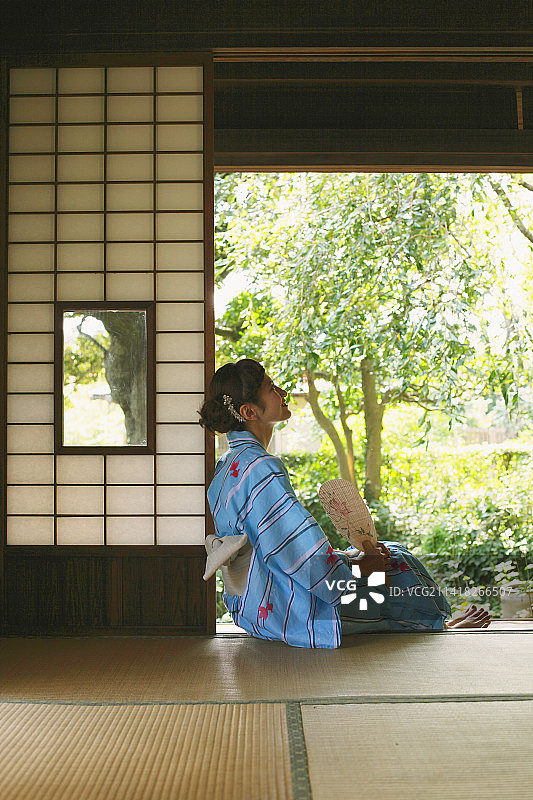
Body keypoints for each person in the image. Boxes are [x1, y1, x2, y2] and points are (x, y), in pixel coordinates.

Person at [199, 358, 490, 649]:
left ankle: (430, 623)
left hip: (253, 607)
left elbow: (280, 548)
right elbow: (299, 556)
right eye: (271, 388)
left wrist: (349, 558)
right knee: (396, 564)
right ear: (249, 411)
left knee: (379, 557)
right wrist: (359, 568)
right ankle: (437, 624)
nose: (283, 392)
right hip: (293, 611)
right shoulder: (260, 466)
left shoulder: (229, 467)